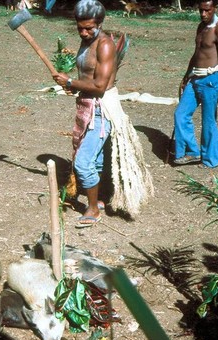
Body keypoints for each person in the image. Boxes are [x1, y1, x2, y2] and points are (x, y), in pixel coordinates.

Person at [53, 0, 153, 227]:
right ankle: (96, 201)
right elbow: (87, 78)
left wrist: (70, 81)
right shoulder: (86, 41)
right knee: (95, 160)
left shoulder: (105, 45)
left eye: (89, 27)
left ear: (100, 23)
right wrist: (72, 85)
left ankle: (92, 210)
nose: (84, 32)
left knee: (83, 163)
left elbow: (99, 86)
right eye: (80, 27)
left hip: (101, 109)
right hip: (87, 105)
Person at [173, 0, 218, 169]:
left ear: (214, 8)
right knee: (180, 114)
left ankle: (211, 159)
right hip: (194, 78)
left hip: (211, 81)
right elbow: (197, 53)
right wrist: (186, 77)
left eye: (207, 10)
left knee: (208, 121)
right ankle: (192, 152)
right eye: (201, 10)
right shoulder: (201, 26)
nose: (203, 14)